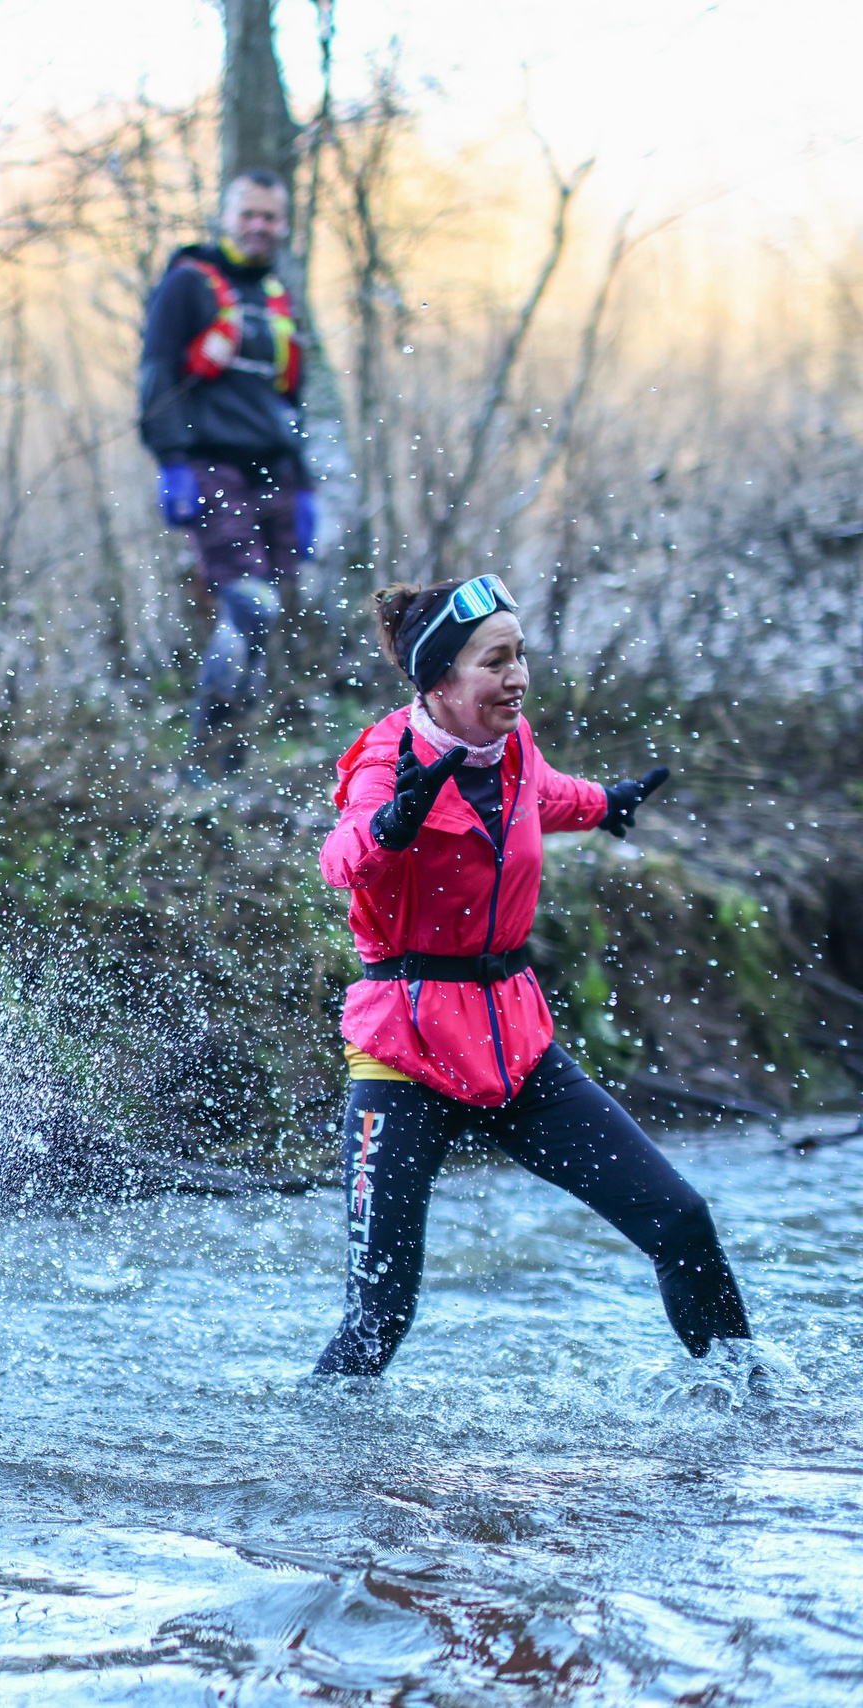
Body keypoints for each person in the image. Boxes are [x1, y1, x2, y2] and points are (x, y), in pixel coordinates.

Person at [312, 576, 752, 1376]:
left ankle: (748, 1406)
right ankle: (310, 1479)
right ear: (440, 679)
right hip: (402, 1054)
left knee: (680, 1220)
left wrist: (604, 803)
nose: (518, 676)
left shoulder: (511, 745)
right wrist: (391, 824)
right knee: (380, 1313)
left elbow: (543, 795)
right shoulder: (387, 759)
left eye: (521, 656)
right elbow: (339, 860)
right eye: (495, 661)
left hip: (514, 1047)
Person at [138, 167, 315, 778]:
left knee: (265, 614)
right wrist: (172, 464)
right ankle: (203, 761)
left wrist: (305, 481)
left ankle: (230, 759)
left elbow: (292, 399)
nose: (260, 226)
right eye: (249, 214)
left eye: (271, 216)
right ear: (225, 216)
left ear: (283, 224)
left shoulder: (274, 298)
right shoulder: (189, 285)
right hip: (212, 466)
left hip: (276, 472)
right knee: (250, 603)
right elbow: (157, 376)